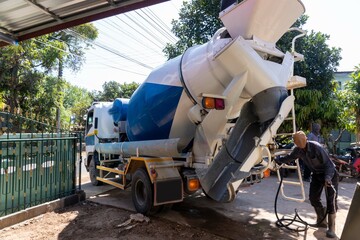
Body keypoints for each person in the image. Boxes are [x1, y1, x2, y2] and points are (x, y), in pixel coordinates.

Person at [275, 131, 339, 238]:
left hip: (329, 174)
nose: (299, 143)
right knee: (313, 198)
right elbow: (290, 158)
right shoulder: (298, 150)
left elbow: (329, 165)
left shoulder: (316, 148)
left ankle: (332, 228)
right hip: (317, 174)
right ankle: (322, 220)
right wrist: (278, 160)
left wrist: (327, 178)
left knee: (331, 200)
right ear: (295, 142)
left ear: (305, 139)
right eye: (297, 142)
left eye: (301, 141)